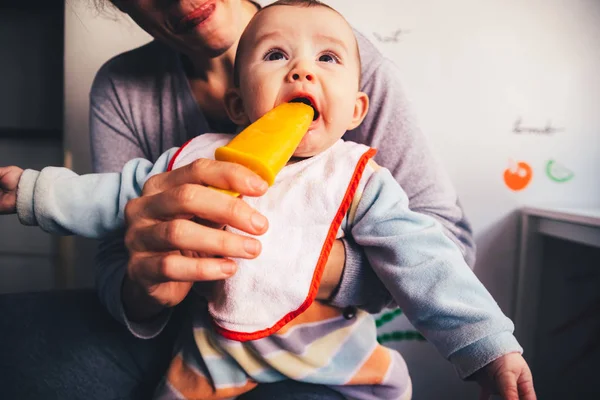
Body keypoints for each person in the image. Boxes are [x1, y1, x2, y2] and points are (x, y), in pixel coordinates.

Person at [0, 1, 536, 399]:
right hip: (209, 353)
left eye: (327, 60)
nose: (302, 71)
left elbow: (431, 259)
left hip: (326, 357)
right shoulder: (196, 157)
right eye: (276, 56)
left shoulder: (357, 177)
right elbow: (111, 195)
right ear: (236, 104)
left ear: (356, 108)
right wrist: (31, 190)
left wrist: (489, 347)